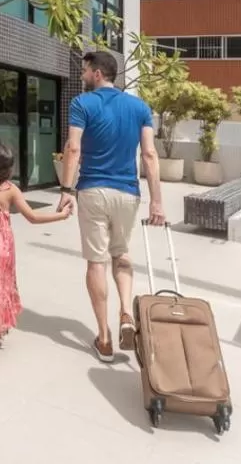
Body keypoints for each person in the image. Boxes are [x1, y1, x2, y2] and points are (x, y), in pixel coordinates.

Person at [56, 50, 165, 362]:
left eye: (84, 70)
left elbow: (73, 148)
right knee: (121, 253)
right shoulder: (139, 107)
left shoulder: (82, 104)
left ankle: (104, 338)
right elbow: (149, 154)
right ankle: (126, 313)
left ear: (97, 73)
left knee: (96, 263)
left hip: (93, 191)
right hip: (128, 193)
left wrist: (66, 189)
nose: (82, 76)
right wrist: (157, 201)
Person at [0, 143, 71, 373]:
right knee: (0, 286)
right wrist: (61, 215)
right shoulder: (11, 189)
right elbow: (33, 217)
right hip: (4, 245)